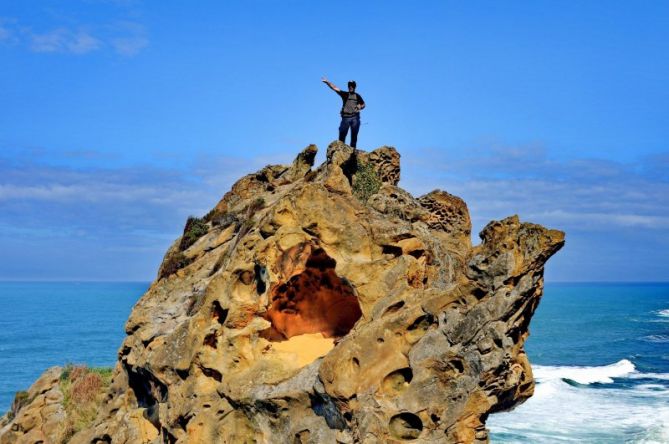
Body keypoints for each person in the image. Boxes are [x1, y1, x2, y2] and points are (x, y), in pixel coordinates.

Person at [322, 77, 365, 148]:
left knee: (354, 135)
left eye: (352, 86)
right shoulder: (344, 94)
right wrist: (327, 82)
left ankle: (353, 151)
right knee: (342, 134)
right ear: (348, 87)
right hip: (345, 117)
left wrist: (360, 106)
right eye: (349, 86)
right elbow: (335, 88)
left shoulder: (357, 96)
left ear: (354, 87)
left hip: (355, 117)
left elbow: (363, 104)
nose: (350, 87)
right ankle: (341, 149)